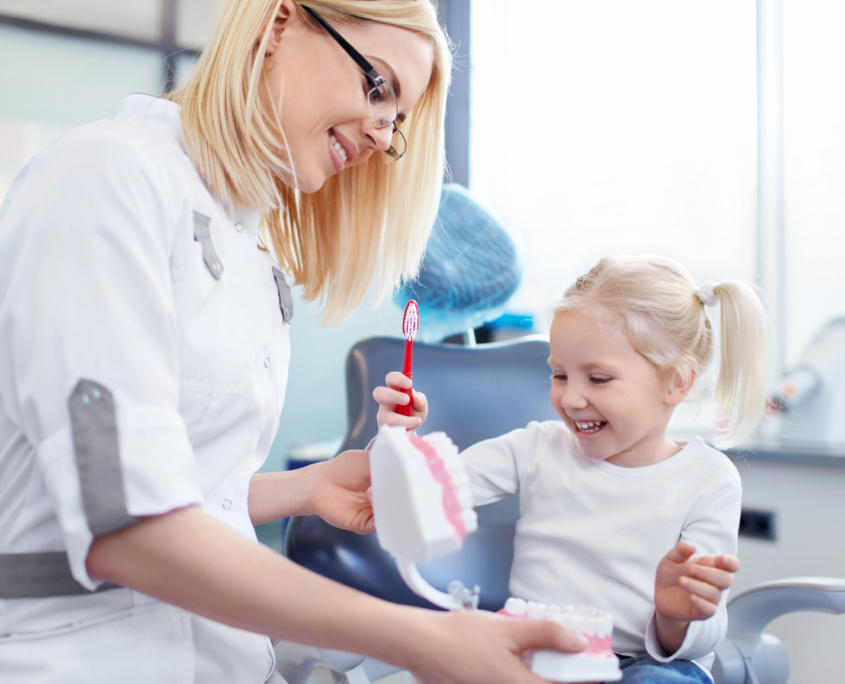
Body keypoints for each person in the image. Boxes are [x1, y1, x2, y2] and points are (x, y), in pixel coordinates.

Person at [0, 1, 588, 682]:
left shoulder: (251, 249)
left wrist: (309, 487)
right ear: (279, 23)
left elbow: (188, 486)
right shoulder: (107, 177)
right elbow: (127, 524)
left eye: (395, 121)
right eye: (378, 88)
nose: (380, 135)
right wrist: (424, 639)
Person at [376, 255, 768, 683]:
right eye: (559, 375)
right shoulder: (536, 448)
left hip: (645, 664)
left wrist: (675, 617)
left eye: (598, 379)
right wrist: (398, 441)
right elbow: (424, 488)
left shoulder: (708, 480)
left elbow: (703, 635)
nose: (571, 399)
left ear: (677, 381)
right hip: (536, 653)